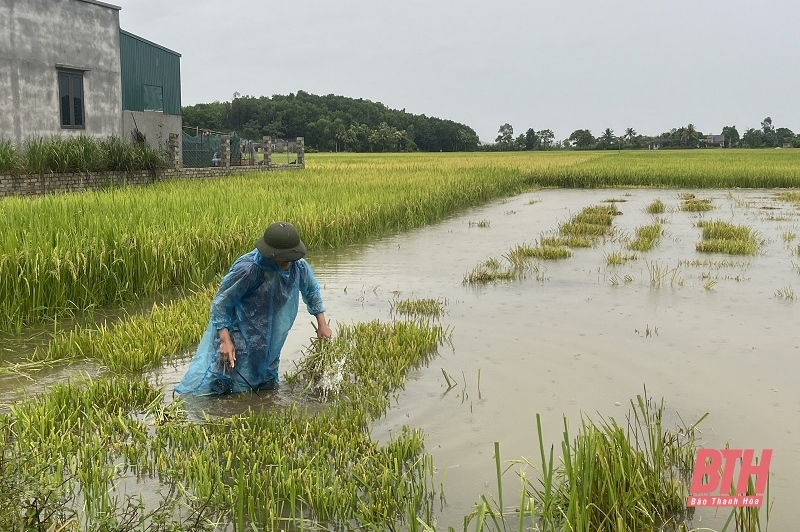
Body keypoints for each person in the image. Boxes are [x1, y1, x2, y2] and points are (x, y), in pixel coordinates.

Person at [175, 222, 332, 395]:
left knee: (266, 378)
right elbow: (221, 304)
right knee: (229, 379)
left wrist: (322, 324)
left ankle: (262, 407)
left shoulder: (299, 267)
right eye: (282, 258)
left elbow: (312, 292)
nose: (287, 262)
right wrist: (225, 341)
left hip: (269, 332)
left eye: (289, 258)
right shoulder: (248, 270)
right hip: (238, 329)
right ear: (271, 253)